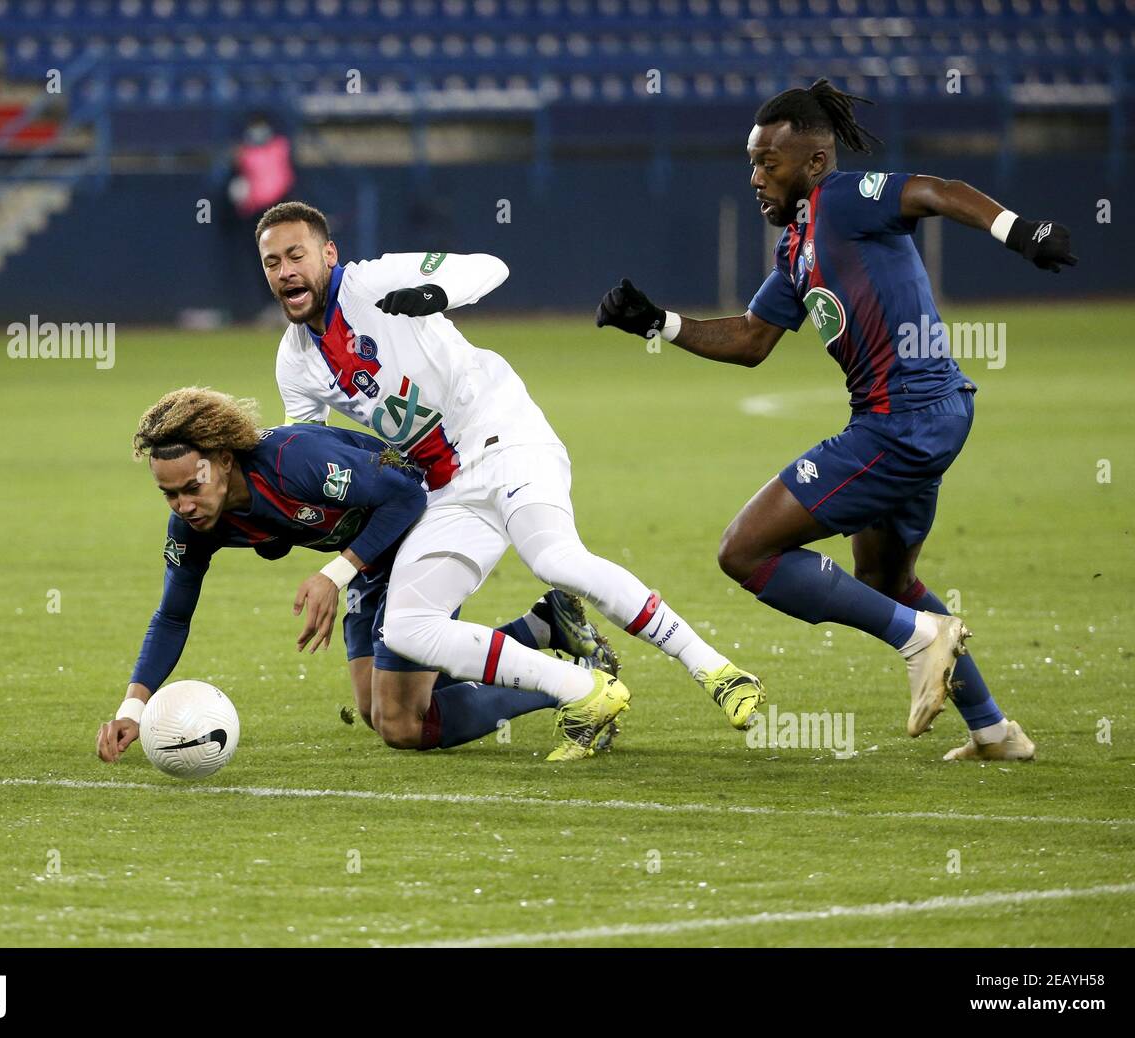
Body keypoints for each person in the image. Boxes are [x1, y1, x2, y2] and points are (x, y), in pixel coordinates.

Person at [595, 79, 1077, 761]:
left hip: (901, 421)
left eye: (770, 162)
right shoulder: (795, 246)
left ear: (814, 162)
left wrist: (1018, 230)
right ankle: (994, 731)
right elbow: (751, 340)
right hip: (920, 419)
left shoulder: (844, 201)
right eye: (753, 162)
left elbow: (937, 191)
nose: (757, 176)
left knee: (745, 551)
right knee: (884, 578)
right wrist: (657, 323)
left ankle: (919, 638)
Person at [257, 201, 766, 762]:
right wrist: (277, 518)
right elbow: (306, 453)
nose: (285, 272)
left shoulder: (370, 281)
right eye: (272, 262)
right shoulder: (295, 360)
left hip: (505, 437)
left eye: (296, 255)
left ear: (328, 254)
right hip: (444, 487)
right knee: (404, 628)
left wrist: (435, 294)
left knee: (556, 560)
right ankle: (581, 690)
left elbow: (489, 267)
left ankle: (716, 670)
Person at [96, 387, 618, 765]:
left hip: (426, 522)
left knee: (403, 724)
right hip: (373, 552)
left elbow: (406, 494)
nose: (183, 504)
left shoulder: (294, 462)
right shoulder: (195, 527)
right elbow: (172, 615)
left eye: (192, 486)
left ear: (225, 461)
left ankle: (578, 688)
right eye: (170, 494)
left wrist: (335, 572)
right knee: (374, 705)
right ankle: (545, 628)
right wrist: (132, 709)